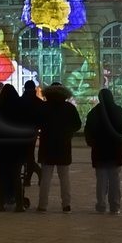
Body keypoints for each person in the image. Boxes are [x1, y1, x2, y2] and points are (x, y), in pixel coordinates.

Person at [34, 83, 81, 212]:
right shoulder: (69, 107)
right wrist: (67, 131)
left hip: (47, 146)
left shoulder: (44, 107)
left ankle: (42, 205)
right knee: (64, 177)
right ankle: (66, 204)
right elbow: (77, 125)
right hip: (63, 146)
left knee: (46, 178)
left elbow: (37, 123)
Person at [84, 88, 122, 214]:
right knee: (115, 178)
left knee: (101, 179)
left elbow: (88, 130)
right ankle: (115, 205)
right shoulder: (117, 110)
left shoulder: (94, 112)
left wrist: (91, 142)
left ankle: (101, 204)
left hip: (99, 151)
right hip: (115, 150)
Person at [0, 85, 30, 211]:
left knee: (2, 175)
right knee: (16, 176)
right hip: (17, 147)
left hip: (2, 147)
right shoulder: (20, 107)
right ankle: (19, 204)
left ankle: (0, 203)